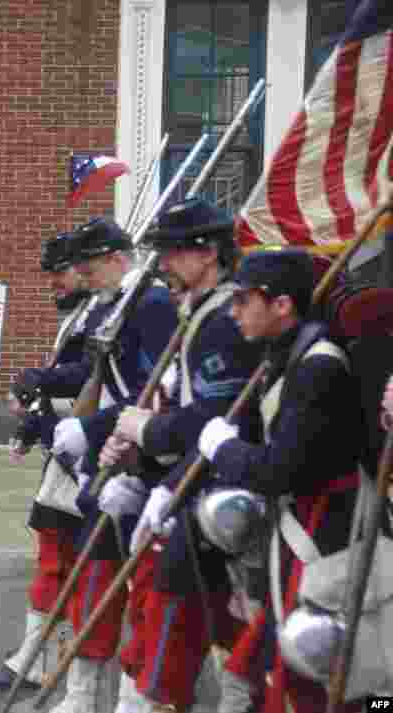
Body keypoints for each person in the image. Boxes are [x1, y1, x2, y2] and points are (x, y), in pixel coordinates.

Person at [95, 198, 264, 713]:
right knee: (212, 628)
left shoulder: (221, 319)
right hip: (195, 486)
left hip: (223, 493)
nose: (162, 264)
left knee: (189, 625)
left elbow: (218, 418)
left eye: (170, 252)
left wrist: (150, 434)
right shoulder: (199, 311)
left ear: (207, 252)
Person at [188, 249, 365, 713]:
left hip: (321, 543)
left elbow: (279, 470)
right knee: (270, 672)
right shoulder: (286, 359)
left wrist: (224, 449)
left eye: (244, 300)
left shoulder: (317, 366)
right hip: (293, 538)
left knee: (318, 682)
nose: (233, 311)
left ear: (282, 305)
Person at [45, 217, 179, 713]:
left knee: (147, 596)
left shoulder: (154, 304)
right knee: (94, 581)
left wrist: (93, 429)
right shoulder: (111, 305)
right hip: (109, 460)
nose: (83, 274)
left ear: (118, 259)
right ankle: (80, 696)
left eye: (90, 265)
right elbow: (100, 378)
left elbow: (152, 391)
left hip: (147, 462)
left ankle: (136, 701)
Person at [0, 229, 98, 691]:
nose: (53, 283)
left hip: (90, 457)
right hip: (68, 452)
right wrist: (33, 426)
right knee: (56, 555)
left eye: (60, 273)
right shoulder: (82, 314)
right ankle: (41, 654)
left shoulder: (100, 317)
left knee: (74, 562)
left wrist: (36, 379)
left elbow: (88, 377)